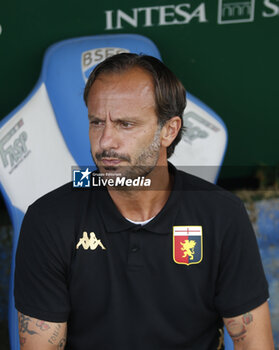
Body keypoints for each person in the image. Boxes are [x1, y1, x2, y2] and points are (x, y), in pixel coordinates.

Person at [14, 53, 274, 350]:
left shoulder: (221, 215)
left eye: (126, 124)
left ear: (169, 130)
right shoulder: (49, 219)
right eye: (97, 122)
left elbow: (254, 343)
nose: (106, 141)